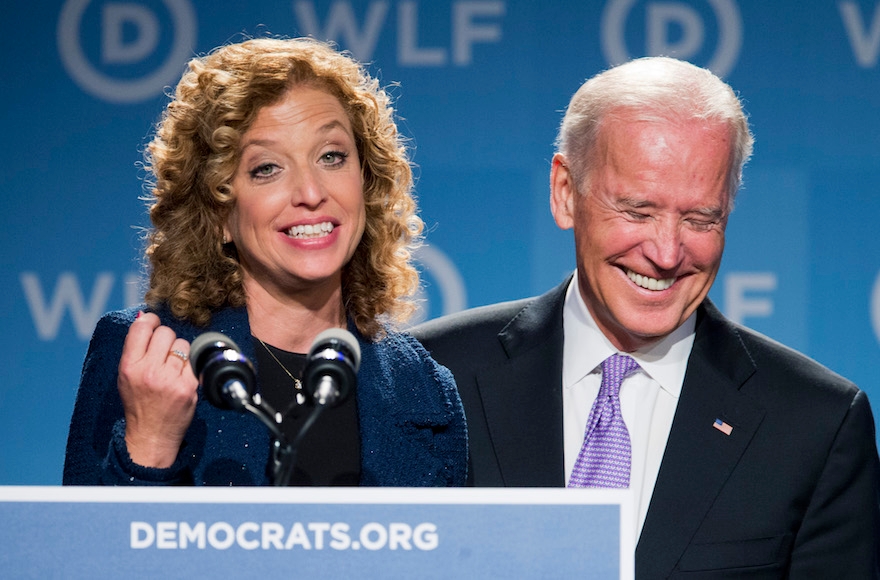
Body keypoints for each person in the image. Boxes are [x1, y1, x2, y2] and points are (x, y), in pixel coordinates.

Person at [413, 57, 880, 577]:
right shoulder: (430, 377)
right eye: (637, 211)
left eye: (701, 218)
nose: (665, 252)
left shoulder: (816, 424)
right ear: (566, 192)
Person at [63, 37, 467, 487]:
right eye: (267, 168)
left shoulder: (424, 387)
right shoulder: (146, 360)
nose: (311, 194)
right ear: (218, 212)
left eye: (331, 157)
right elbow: (90, 554)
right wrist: (150, 445)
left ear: (367, 184)